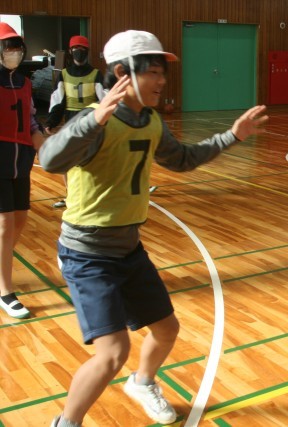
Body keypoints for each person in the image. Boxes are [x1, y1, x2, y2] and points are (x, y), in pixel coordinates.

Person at [39, 30, 268, 426]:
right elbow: (49, 160)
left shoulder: (150, 121)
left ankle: (142, 383)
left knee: (166, 330)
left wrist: (232, 136)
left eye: (163, 72)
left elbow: (182, 159)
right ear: (121, 73)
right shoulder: (95, 121)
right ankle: (66, 422)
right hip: (87, 254)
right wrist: (93, 119)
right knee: (113, 353)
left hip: (128, 249)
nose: (162, 81)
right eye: (153, 72)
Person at [0, 23, 45, 319]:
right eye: (8, 47)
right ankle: (5, 291)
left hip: (22, 161)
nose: (13, 52)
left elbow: (30, 122)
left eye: (17, 47)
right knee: (4, 225)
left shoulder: (25, 83)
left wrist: (48, 146)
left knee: (19, 220)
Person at [45, 35, 105, 208]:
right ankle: (70, 195)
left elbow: (104, 99)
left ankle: (93, 195)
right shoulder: (63, 75)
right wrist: (52, 121)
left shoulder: (96, 74)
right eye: (76, 48)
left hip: (90, 121)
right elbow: (58, 100)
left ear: (87, 51)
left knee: (92, 160)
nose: (79, 51)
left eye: (82, 49)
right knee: (68, 159)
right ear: (70, 51)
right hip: (70, 121)